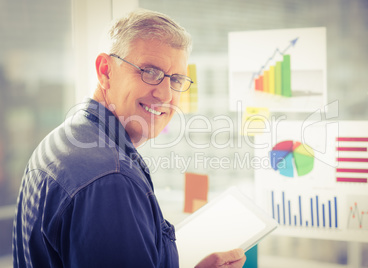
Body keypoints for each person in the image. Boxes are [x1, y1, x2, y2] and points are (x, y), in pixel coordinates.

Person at [12, 8, 247, 268]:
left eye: (176, 79)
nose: (166, 95)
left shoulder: (67, 138)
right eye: (150, 72)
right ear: (106, 71)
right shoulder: (110, 179)